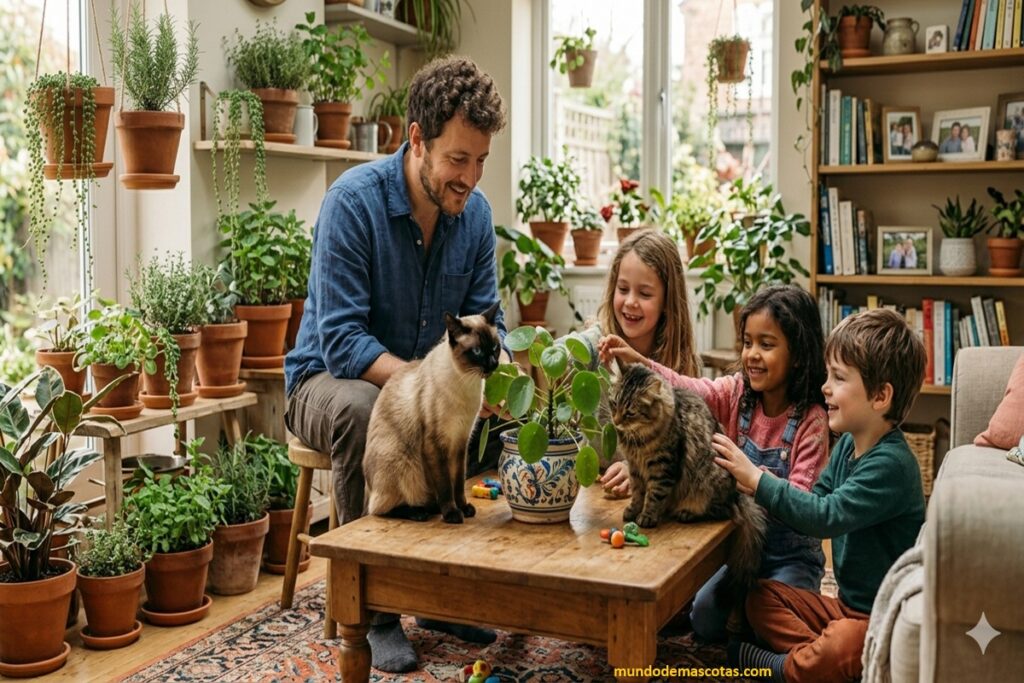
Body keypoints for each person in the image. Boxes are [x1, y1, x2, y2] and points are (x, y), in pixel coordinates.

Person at [283, 56, 508, 673]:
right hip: (327, 383)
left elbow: (491, 320)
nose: (470, 177)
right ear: (416, 139)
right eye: (458, 160)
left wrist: (498, 375)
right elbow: (342, 342)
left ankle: (437, 591)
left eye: (481, 160)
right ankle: (374, 609)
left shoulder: (477, 217)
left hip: (420, 385)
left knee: (483, 419)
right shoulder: (351, 204)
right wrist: (432, 387)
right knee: (365, 410)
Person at [601, 284, 830, 643]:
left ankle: (758, 633)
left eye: (766, 345)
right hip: (737, 545)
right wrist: (642, 364)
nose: (752, 354)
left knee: (771, 617)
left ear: (798, 355)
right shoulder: (738, 392)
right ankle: (743, 611)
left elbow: (803, 503)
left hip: (791, 557)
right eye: (748, 342)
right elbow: (690, 387)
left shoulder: (812, 421)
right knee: (704, 619)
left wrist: (754, 477)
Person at [715, 308, 927, 683]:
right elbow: (814, 497)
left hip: (879, 619)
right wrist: (761, 480)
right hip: (844, 608)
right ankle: (819, 664)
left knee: (843, 643)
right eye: (828, 375)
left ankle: (784, 667)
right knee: (759, 597)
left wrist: (758, 481)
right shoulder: (847, 444)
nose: (825, 387)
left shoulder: (892, 465)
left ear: (880, 396)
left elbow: (824, 515)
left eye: (839, 378)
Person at [561, 229, 701, 496]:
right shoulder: (595, 349)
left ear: (667, 302)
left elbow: (685, 455)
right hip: (591, 499)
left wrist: (633, 469)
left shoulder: (682, 367)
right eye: (623, 289)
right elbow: (558, 354)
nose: (630, 302)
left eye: (645, 294)